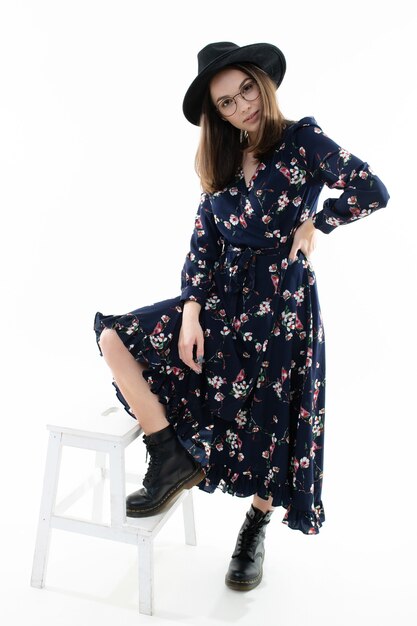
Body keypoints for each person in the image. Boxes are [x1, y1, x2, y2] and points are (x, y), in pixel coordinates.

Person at [93, 41, 390, 591]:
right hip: (224, 303)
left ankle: (255, 526)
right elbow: (202, 247)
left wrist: (317, 224)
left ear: (262, 82)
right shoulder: (223, 166)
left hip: (283, 306)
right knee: (115, 338)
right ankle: (171, 457)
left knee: (274, 422)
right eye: (226, 103)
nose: (241, 107)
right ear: (217, 115)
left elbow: (371, 188)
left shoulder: (302, 140)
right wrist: (189, 311)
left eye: (245, 90)